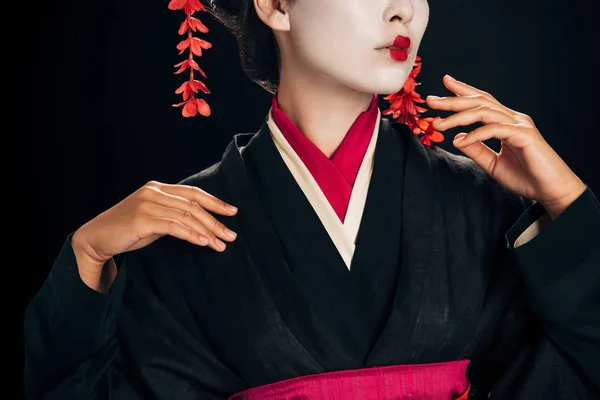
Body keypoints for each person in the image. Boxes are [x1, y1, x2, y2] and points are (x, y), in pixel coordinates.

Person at [23, 0, 600, 399]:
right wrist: (88, 257)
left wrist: (570, 208)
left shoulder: (480, 202)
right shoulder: (183, 226)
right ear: (275, 5)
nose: (403, 10)